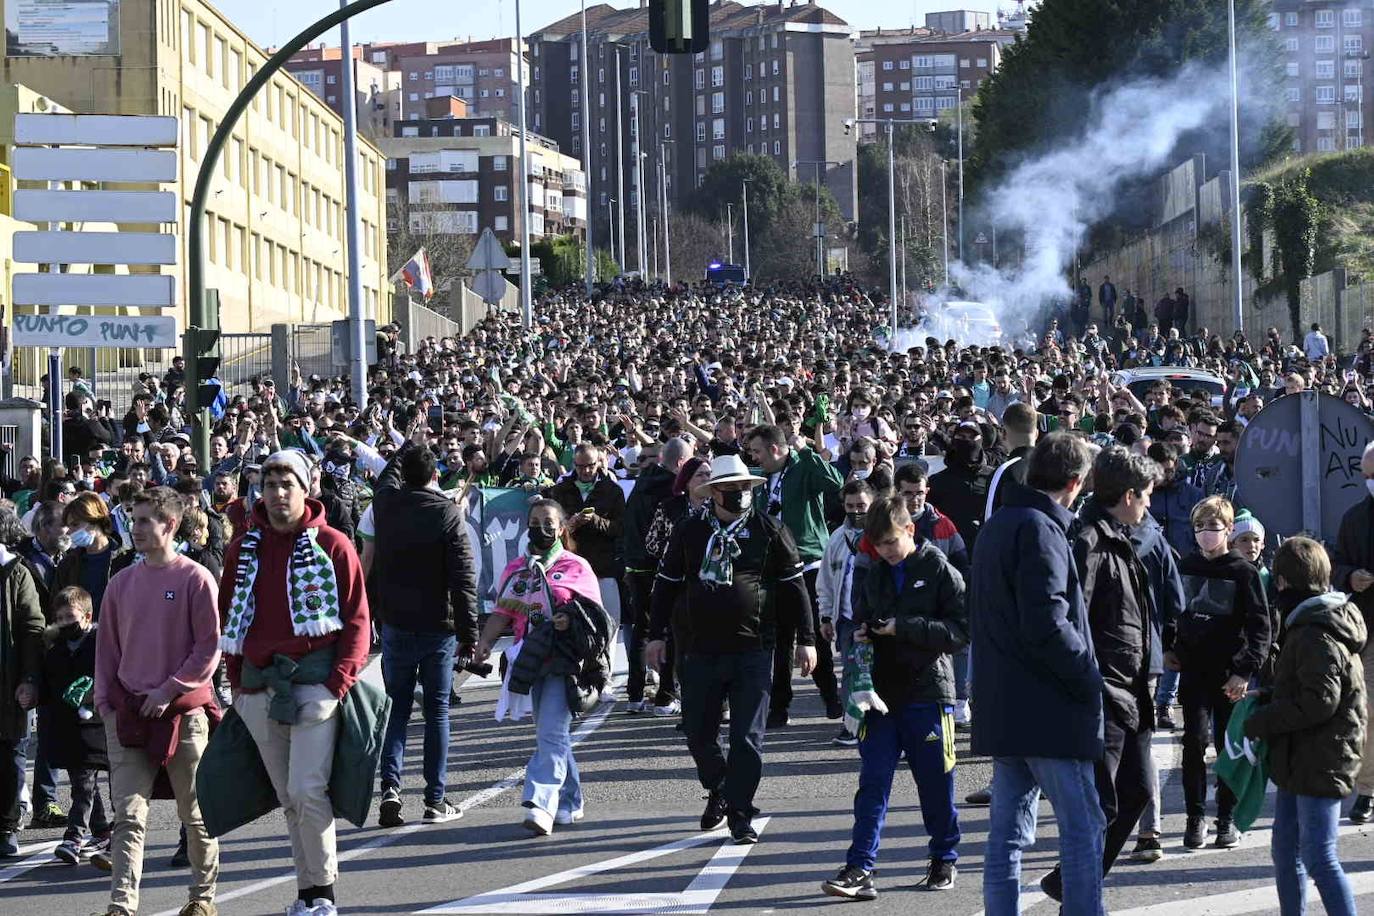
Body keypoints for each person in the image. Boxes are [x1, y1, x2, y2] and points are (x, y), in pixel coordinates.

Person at [219, 451, 371, 916]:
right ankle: (307, 892)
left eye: (288, 483)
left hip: (314, 683)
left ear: (306, 488)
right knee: (288, 796)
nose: (279, 493)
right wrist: (238, 683)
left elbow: (357, 619)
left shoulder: (333, 544)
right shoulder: (242, 549)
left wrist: (336, 683)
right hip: (258, 686)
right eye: (270, 484)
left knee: (307, 789)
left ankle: (322, 891)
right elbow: (228, 617)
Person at [648, 454, 816, 845]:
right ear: (714, 492)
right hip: (698, 648)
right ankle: (720, 787)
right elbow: (666, 585)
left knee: (746, 737)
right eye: (729, 489)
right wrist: (655, 634)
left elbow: (795, 589)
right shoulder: (689, 531)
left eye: (743, 488)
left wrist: (806, 641)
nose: (738, 495)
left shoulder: (769, 529)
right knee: (697, 732)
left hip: (753, 649)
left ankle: (740, 811)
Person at [970, 432, 1106, 916]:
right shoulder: (1040, 530)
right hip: (1047, 710)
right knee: (1084, 830)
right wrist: (1091, 677)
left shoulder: (998, 524)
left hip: (1005, 705)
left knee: (1006, 837)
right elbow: (1048, 624)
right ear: (1076, 482)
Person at [820, 496, 967, 900]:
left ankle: (944, 858)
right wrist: (866, 633)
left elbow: (959, 632)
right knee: (872, 783)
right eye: (878, 544)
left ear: (909, 531)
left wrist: (904, 627)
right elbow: (861, 618)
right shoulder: (874, 572)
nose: (885, 551)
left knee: (936, 783)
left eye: (890, 542)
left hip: (929, 692)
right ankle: (860, 866)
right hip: (881, 694)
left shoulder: (939, 569)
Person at [94, 486, 220, 916]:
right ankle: (121, 906)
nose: (136, 528)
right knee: (128, 817)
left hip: (184, 715)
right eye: (133, 519)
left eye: (145, 520)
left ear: (170, 524)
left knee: (196, 814)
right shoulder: (120, 583)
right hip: (128, 716)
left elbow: (208, 649)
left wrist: (169, 690)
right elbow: (106, 651)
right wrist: (106, 706)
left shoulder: (196, 578)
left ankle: (202, 900)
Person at [1040, 447, 1159, 904]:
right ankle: (1079, 896)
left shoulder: (1117, 536)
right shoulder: (1088, 540)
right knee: (1097, 809)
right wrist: (1088, 684)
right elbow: (1072, 620)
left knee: (1137, 792)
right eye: (1145, 496)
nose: (1147, 504)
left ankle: (1070, 884)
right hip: (1103, 693)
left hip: (1129, 692)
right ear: (1127, 495)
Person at [1244, 536, 1365, 916]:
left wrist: (1264, 720)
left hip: (1322, 756)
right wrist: (1268, 697)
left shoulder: (1315, 630)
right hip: (1303, 755)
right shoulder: (1311, 622)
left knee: (1318, 856)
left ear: (1282, 582)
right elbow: (1308, 688)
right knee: (1286, 849)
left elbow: (1320, 701)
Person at [474, 499, 610, 835]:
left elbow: (596, 617)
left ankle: (540, 804)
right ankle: (571, 799)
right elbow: (503, 612)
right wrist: (485, 643)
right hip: (528, 659)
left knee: (550, 732)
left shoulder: (576, 566)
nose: (541, 527)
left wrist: (569, 619)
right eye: (534, 521)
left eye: (548, 521)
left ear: (562, 527)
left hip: (564, 661)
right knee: (552, 734)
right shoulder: (517, 568)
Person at [371, 434, 479, 827]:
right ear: (435, 474)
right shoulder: (447, 512)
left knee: (396, 708)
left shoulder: (385, 504)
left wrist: (404, 448)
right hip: (439, 624)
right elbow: (464, 578)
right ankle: (435, 798)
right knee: (436, 712)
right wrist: (470, 635)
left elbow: (386, 475)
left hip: (397, 622)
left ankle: (390, 788)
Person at [1166, 495, 1272, 849]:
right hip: (1193, 672)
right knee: (1193, 744)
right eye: (1200, 527)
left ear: (1228, 530)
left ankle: (1225, 817)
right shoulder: (1186, 566)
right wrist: (1170, 648)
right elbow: (1172, 611)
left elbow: (1260, 627)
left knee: (1228, 746)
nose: (1206, 534)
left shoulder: (1244, 572)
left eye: (1213, 527)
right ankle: (1195, 817)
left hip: (1230, 674)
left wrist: (1244, 671)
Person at [745, 425, 843, 728]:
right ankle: (779, 706)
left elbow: (834, 481)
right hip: (774, 569)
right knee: (781, 640)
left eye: (758, 452)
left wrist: (806, 450)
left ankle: (830, 695)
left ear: (775, 449)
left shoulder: (802, 468)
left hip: (808, 564)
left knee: (812, 635)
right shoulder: (760, 479)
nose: (755, 458)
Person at [41, 586, 110, 867]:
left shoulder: (100, 644)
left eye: (70, 616)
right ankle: (103, 830)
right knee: (86, 784)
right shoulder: (55, 650)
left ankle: (74, 836)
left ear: (87, 615)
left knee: (82, 785)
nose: (65, 623)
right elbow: (49, 686)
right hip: (67, 726)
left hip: (95, 725)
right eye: (60, 618)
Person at [622, 437, 690, 715]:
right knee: (670, 629)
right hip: (659, 567)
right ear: (681, 463)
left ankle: (635, 694)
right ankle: (666, 694)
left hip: (635, 566)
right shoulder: (672, 490)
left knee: (641, 629)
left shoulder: (642, 482)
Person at [547, 443, 626, 659]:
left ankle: (605, 676)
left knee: (610, 622)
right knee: (573, 625)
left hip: (603, 567)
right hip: (570, 570)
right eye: (580, 466)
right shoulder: (560, 490)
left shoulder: (612, 490)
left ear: (598, 463)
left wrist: (596, 521)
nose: (586, 471)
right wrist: (569, 525)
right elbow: (551, 529)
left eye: (590, 466)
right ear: (574, 464)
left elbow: (621, 528)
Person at [816, 479, 877, 747]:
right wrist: (826, 616)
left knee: (879, 672)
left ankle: (881, 724)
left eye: (861, 505)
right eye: (850, 506)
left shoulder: (883, 534)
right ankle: (851, 724)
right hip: (847, 620)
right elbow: (826, 581)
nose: (855, 511)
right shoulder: (837, 538)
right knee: (851, 673)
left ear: (873, 504)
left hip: (877, 619)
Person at [0, 508, 45, 858]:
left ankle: (7, 826)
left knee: (10, 754)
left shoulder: (17, 572)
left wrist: (29, 678)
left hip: (8, 682)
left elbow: (32, 629)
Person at [1333, 442, 1374, 823]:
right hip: (1368, 629)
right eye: (1367, 476)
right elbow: (1337, 562)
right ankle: (1366, 790)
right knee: (1367, 712)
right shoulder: (1355, 518)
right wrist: (1350, 576)